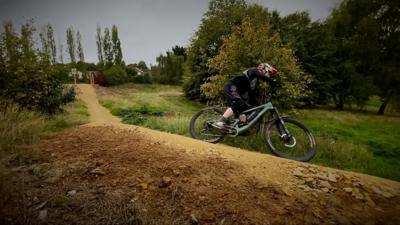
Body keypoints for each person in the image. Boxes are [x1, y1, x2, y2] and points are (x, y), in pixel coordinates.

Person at [214, 63, 277, 128]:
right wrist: (271, 81)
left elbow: (251, 94)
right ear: (264, 69)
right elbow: (261, 76)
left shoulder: (254, 81)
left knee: (245, 107)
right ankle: (220, 121)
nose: (269, 76)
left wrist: (257, 105)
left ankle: (240, 126)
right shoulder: (254, 70)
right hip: (231, 86)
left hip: (236, 91)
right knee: (238, 103)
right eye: (269, 73)